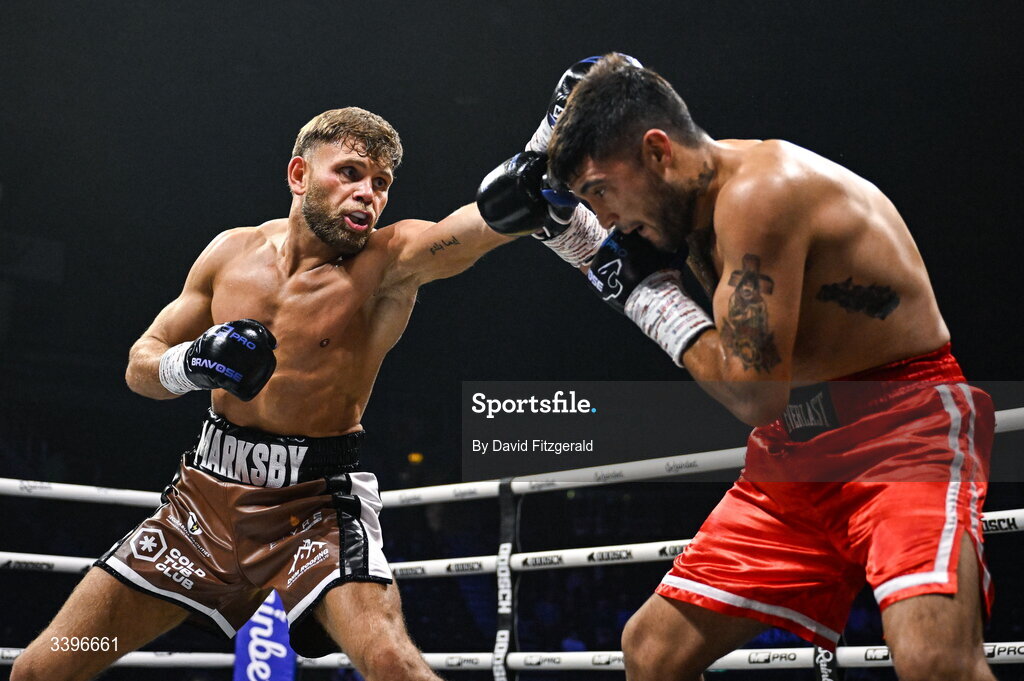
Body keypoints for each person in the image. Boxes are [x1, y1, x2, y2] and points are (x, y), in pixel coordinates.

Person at [500, 55, 996, 681]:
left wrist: (646, 298)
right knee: (652, 651)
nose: (605, 219)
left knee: (934, 660)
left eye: (601, 192)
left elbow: (754, 392)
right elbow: (613, 68)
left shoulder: (761, 193)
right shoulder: (686, 207)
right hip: (794, 452)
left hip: (901, 434)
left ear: (658, 152)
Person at [10, 107, 528, 681]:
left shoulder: (387, 262)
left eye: (380, 184)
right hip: (199, 513)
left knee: (389, 662)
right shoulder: (231, 253)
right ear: (299, 174)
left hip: (313, 515)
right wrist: (193, 365)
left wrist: (525, 192)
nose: (367, 195)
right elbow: (141, 365)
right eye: (350, 173)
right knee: (44, 668)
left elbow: (466, 233)